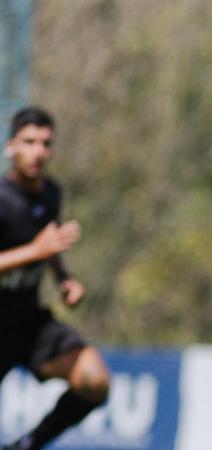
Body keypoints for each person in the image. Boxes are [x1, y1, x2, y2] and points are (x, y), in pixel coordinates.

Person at [0, 107, 110, 450]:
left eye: (46, 143)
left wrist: (64, 279)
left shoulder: (50, 194)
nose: (38, 151)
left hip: (29, 322)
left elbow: (48, 247)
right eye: (29, 142)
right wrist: (34, 251)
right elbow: (40, 246)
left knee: (94, 379)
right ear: (10, 147)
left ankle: (27, 445)